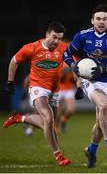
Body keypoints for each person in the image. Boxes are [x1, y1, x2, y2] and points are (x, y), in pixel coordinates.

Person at [63, 4, 107, 168]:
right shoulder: (83, 36)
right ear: (92, 21)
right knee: (103, 106)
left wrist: (106, 68)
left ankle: (91, 149)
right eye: (98, 18)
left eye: (104, 19)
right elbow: (67, 53)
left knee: (102, 120)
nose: (101, 21)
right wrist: (73, 65)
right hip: (91, 81)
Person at [3, 21, 71, 166]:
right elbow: (14, 61)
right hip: (38, 87)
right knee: (48, 117)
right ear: (47, 34)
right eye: (54, 37)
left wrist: (79, 85)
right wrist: (10, 82)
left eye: (59, 38)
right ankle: (58, 156)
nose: (57, 41)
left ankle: (20, 118)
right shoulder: (32, 48)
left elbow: (75, 65)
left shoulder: (64, 48)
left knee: (49, 124)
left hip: (55, 89)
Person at [55, 62, 76, 133]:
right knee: (58, 111)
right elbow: (59, 77)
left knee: (70, 110)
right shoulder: (59, 63)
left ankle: (63, 119)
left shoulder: (73, 61)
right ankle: (56, 128)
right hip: (58, 89)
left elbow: (74, 78)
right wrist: (65, 71)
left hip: (69, 89)